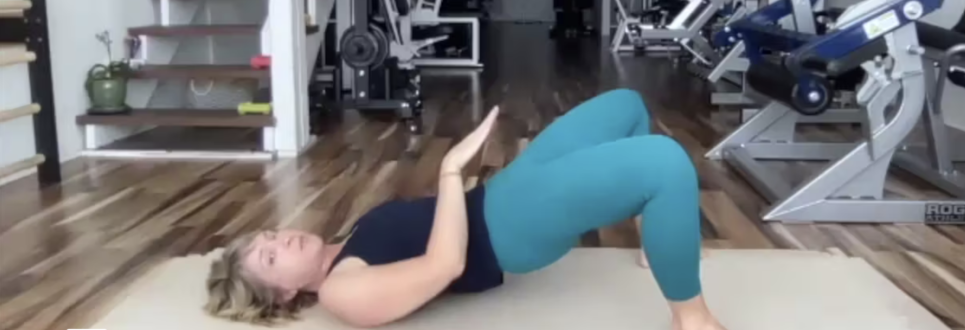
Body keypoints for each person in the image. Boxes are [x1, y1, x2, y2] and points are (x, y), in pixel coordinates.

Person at [205, 89, 727, 330]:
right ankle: (692, 318)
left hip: (503, 195)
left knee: (627, 105)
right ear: (285, 294)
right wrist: (451, 171)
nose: (281, 239)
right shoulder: (343, 292)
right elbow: (445, 265)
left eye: (269, 235)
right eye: (270, 259)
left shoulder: (347, 243)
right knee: (665, 163)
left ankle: (654, 241)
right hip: (509, 233)